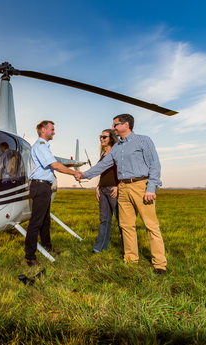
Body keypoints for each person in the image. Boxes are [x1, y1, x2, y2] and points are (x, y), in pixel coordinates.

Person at [77, 114, 167, 274]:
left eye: (115, 125)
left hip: (141, 185)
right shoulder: (117, 147)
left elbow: (154, 164)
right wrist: (83, 175)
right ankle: (131, 259)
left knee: (151, 226)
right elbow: (104, 165)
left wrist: (151, 187)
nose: (113, 128)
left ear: (126, 125)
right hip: (123, 187)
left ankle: (159, 264)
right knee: (126, 225)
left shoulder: (143, 140)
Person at [25, 120, 81, 266]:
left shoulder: (44, 146)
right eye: (52, 129)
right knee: (36, 222)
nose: (54, 132)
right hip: (40, 186)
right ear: (44, 130)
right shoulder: (41, 146)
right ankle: (30, 257)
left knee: (45, 221)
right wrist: (73, 173)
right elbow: (55, 165)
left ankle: (47, 247)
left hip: (44, 187)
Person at [92, 129, 120, 253]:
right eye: (100, 136)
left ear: (112, 138)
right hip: (103, 190)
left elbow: (123, 170)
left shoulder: (117, 152)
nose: (101, 139)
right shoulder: (103, 153)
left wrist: (119, 186)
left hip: (113, 189)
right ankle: (100, 248)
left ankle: (128, 250)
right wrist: (98, 186)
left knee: (121, 220)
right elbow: (102, 172)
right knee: (104, 220)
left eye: (104, 137)